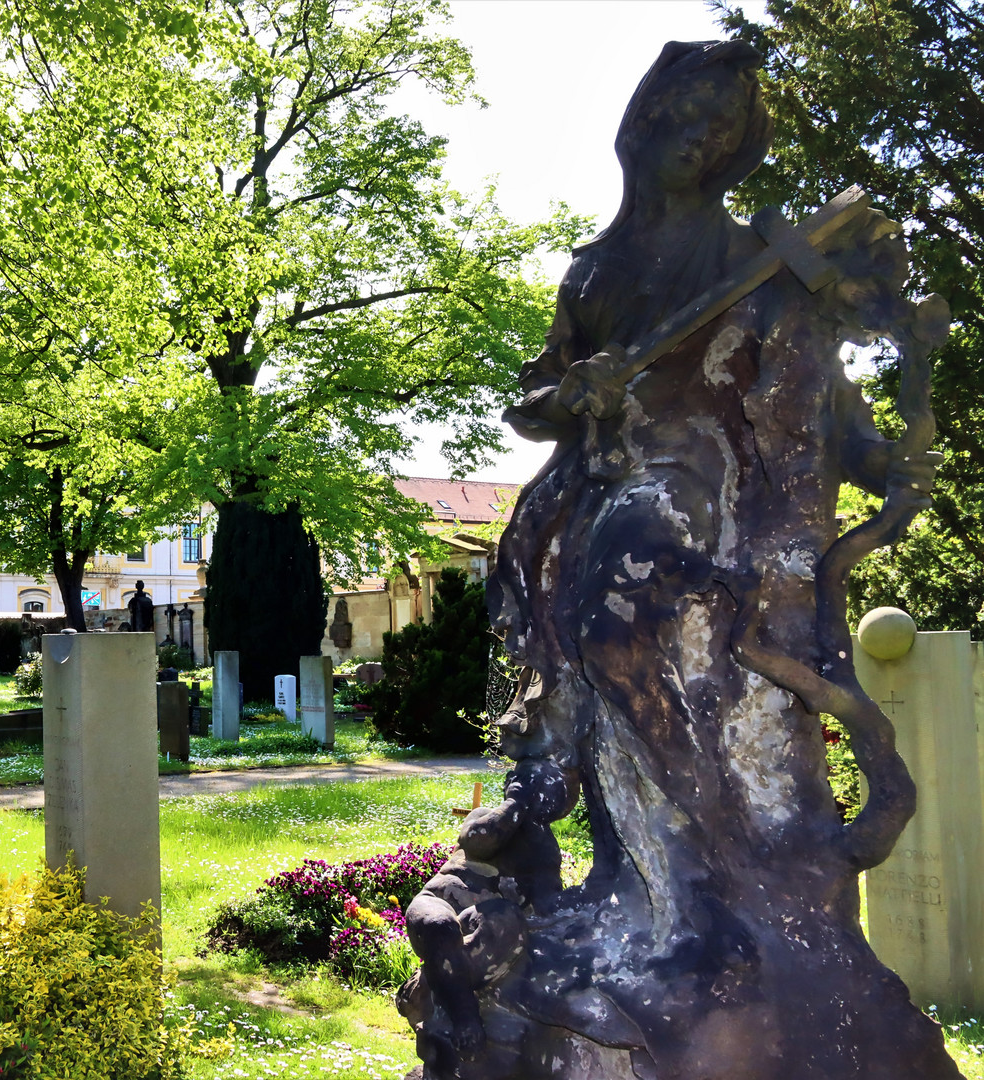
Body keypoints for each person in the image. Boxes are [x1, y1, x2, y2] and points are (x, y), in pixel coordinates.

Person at [404, 40, 953, 1080]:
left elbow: (825, 405)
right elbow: (530, 401)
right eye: (688, 117)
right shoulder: (599, 273)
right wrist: (572, 397)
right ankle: (584, 802)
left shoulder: (762, 259)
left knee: (626, 569)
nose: (701, 140)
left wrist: (895, 403)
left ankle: (704, 869)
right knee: (577, 575)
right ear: (645, 124)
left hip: (710, 493)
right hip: (608, 481)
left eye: (721, 128)